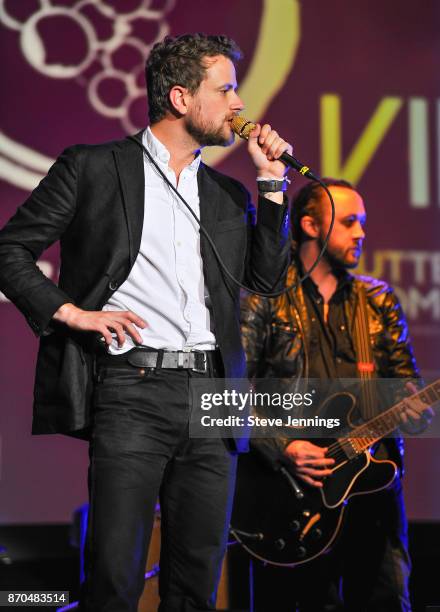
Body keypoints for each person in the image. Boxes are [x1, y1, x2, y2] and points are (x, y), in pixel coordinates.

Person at [0, 34, 292, 611]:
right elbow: (9, 250)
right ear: (181, 98)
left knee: (197, 584)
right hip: (134, 389)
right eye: (226, 88)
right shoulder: (94, 168)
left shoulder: (228, 193)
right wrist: (72, 312)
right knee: (116, 576)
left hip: (215, 394)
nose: (240, 104)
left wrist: (273, 185)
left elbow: (265, 280)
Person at [240, 178, 431, 611]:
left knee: (386, 599)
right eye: (348, 223)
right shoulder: (266, 299)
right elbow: (226, 399)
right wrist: (283, 446)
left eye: (362, 223)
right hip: (291, 494)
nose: (361, 233)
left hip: (373, 488)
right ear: (309, 225)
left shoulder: (378, 300)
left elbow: (411, 395)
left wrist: (416, 407)